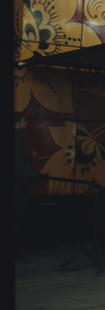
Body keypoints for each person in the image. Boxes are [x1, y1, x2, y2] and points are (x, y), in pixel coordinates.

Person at [14, 113, 38, 263]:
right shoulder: (15, 138)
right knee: (16, 217)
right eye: (24, 121)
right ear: (15, 124)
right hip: (17, 186)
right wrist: (25, 180)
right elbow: (16, 163)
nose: (27, 123)